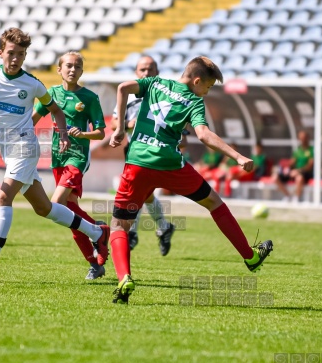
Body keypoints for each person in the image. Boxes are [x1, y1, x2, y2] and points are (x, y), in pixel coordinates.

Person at [0, 28, 109, 281]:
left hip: (25, 147)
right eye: (11, 53)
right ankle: (97, 233)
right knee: (44, 208)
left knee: (3, 197)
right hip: (9, 150)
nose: (15, 58)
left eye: (21, 54)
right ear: (0, 53)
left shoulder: (32, 83)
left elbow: (57, 111)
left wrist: (62, 133)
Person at [108, 56, 273, 304]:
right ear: (197, 81)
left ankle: (124, 278)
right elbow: (204, 134)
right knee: (215, 204)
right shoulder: (194, 101)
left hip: (138, 164)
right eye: (207, 88)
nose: (205, 93)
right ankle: (250, 256)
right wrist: (237, 156)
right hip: (171, 166)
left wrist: (120, 128)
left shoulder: (154, 83)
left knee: (120, 226)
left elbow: (122, 88)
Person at [32, 51, 107, 280]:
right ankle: (94, 260)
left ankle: (99, 232)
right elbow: (33, 119)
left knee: (56, 203)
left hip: (77, 157)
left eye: (77, 67)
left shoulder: (90, 98)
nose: (72, 70)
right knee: (69, 213)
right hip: (57, 158)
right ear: (59, 69)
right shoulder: (51, 94)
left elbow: (101, 132)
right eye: (68, 66)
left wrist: (83, 134)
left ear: (82, 71)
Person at [110, 55, 176, 255]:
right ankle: (163, 228)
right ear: (136, 73)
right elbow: (113, 122)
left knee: (139, 193)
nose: (146, 73)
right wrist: (127, 124)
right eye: (142, 70)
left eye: (150, 69)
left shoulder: (165, 95)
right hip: (134, 150)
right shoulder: (129, 95)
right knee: (144, 195)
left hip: (157, 151)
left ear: (157, 72)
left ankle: (132, 234)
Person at [273, 130, 313, 203]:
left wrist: (298, 171)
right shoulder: (297, 151)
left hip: (306, 173)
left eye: (304, 138)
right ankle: (288, 196)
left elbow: (310, 166)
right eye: (301, 138)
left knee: (299, 178)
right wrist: (286, 168)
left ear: (307, 138)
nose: (302, 140)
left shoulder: (312, 150)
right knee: (275, 177)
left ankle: (296, 198)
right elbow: (292, 163)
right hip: (295, 172)